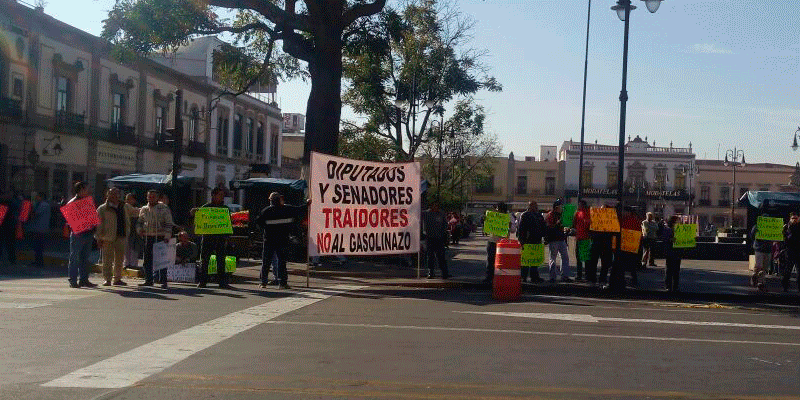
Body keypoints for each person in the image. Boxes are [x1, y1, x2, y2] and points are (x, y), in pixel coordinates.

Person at [255, 192, 309, 289]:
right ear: (279, 200)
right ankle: (282, 283)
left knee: (266, 261)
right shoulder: (286, 209)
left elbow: (259, 223)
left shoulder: (266, 211)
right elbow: (299, 209)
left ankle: (263, 282)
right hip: (282, 239)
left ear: (271, 201)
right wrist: (308, 203)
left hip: (269, 239)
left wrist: (265, 230)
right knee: (282, 262)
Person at [95, 188, 136, 286]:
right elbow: (98, 225)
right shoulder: (102, 208)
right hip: (107, 237)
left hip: (121, 236)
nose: (113, 196)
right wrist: (98, 238)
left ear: (119, 195)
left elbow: (137, 212)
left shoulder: (125, 206)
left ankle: (117, 279)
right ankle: (107, 279)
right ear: (107, 195)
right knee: (107, 259)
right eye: (111, 194)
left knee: (119, 259)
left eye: (115, 194)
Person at [195, 188, 232, 289]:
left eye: (223, 195)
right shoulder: (206, 207)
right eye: (220, 195)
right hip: (208, 237)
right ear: (213, 195)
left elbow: (228, 223)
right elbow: (198, 222)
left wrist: (227, 236)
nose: (222, 197)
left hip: (220, 238)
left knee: (221, 260)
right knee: (205, 260)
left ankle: (222, 282)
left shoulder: (225, 209)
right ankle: (202, 281)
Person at [137, 189, 174, 289]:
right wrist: (139, 230)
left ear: (157, 198)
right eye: (149, 196)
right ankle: (148, 280)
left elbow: (168, 224)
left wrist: (167, 236)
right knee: (147, 260)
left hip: (161, 236)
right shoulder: (144, 209)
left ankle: (163, 281)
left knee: (162, 260)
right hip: (148, 236)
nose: (151, 198)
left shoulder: (164, 208)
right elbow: (140, 222)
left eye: (153, 196)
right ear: (147, 197)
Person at [66, 182, 97, 288]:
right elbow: (71, 220)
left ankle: (84, 279)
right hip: (78, 234)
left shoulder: (88, 201)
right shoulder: (72, 202)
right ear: (81, 190)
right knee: (74, 257)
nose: (88, 190)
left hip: (88, 233)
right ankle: (73, 280)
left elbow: (93, 216)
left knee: (85, 257)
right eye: (86, 188)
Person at [517, 200, 546, 283]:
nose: (535, 207)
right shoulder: (525, 215)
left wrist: (544, 235)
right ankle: (524, 277)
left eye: (536, 205)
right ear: (529, 206)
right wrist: (521, 240)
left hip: (537, 240)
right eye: (533, 205)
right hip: (527, 240)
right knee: (526, 260)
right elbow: (521, 229)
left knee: (535, 260)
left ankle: (534, 276)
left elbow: (543, 226)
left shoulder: (539, 215)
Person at [482, 202, 511, 285]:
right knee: (491, 260)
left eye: (498, 208)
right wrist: (486, 221)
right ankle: (489, 277)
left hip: (502, 243)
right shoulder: (493, 216)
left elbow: (513, 229)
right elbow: (487, 229)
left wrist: (509, 225)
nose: (496, 209)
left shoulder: (508, 217)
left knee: (500, 261)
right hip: (493, 241)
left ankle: (498, 277)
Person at [613, 205, 640, 290]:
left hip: (625, 246)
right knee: (630, 265)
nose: (624, 213)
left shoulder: (624, 220)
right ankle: (632, 281)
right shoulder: (634, 220)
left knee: (625, 265)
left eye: (625, 212)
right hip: (629, 246)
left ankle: (625, 281)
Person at [544, 199, 571, 283]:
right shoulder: (550, 215)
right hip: (554, 239)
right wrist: (557, 224)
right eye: (560, 207)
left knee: (565, 257)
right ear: (556, 207)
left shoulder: (562, 215)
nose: (561, 208)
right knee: (553, 258)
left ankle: (564, 276)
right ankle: (553, 277)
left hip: (561, 238)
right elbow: (548, 227)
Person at [422, 201, 450, 279]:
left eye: (437, 205)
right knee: (430, 257)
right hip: (429, 238)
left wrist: (443, 234)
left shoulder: (441, 213)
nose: (435, 207)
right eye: (434, 205)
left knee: (441, 256)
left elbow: (445, 225)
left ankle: (444, 273)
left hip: (439, 238)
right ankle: (431, 272)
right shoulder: (426, 213)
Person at [588, 205, 614, 286]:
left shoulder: (608, 221)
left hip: (601, 243)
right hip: (601, 243)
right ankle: (597, 280)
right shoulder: (607, 220)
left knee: (602, 264)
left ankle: (598, 280)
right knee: (596, 263)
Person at [27, 192, 51, 268]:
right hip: (38, 227)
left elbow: (36, 213)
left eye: (37, 197)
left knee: (39, 245)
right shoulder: (40, 204)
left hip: (40, 228)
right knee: (37, 245)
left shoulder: (43, 205)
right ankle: (37, 260)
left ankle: (39, 261)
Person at [573, 200, 591, 282]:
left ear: (582, 205)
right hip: (584, 237)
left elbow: (574, 223)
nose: (578, 205)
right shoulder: (585, 212)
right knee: (584, 258)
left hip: (581, 237)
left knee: (580, 258)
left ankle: (580, 275)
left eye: (579, 204)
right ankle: (586, 275)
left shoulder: (580, 213)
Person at [663, 215, 681, 292]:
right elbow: (665, 239)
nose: (679, 221)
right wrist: (671, 239)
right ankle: (669, 286)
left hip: (676, 251)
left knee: (676, 270)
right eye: (678, 220)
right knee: (670, 269)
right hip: (671, 251)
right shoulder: (668, 229)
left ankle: (674, 286)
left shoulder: (679, 229)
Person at [124, 193, 142, 270]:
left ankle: (133, 263)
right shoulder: (125, 207)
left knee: (134, 247)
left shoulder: (139, 209)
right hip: (126, 230)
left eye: (129, 199)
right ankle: (127, 263)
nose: (127, 200)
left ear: (134, 200)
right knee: (126, 247)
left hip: (135, 230)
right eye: (126, 199)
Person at [782, 213, 800, 292]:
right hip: (789, 251)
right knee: (788, 270)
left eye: (796, 218)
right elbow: (783, 238)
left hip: (798, 251)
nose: (794, 220)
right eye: (793, 218)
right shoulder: (786, 227)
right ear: (790, 219)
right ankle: (785, 286)